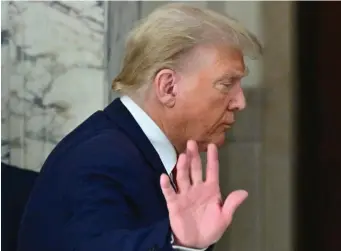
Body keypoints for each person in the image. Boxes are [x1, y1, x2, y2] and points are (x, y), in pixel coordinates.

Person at [18, 3, 262, 251]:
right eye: (226, 83)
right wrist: (178, 242)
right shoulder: (100, 157)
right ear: (168, 87)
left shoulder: (135, 148)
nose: (240, 102)